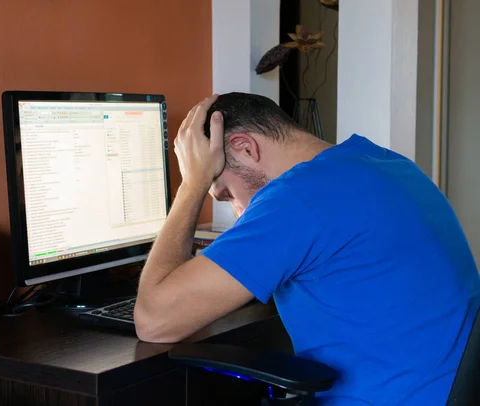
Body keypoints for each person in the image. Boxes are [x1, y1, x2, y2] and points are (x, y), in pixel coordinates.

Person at [133, 92, 480, 405]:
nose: (237, 211)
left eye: (224, 192)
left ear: (244, 147)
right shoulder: (388, 164)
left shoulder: (297, 198)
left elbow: (154, 320)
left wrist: (193, 183)